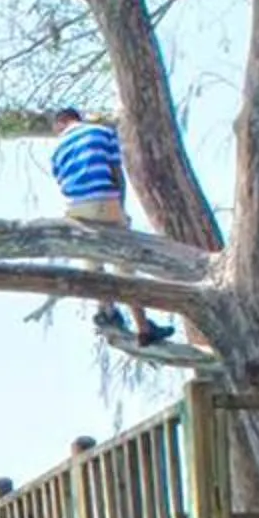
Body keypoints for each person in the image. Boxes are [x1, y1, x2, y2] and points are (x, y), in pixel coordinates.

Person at [53, 106, 175, 350]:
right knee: (124, 264)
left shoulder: (57, 149)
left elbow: (62, 182)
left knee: (92, 257)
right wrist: (120, 208)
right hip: (104, 200)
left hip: (75, 207)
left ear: (61, 123)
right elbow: (116, 173)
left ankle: (105, 309)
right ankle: (143, 328)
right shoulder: (101, 132)